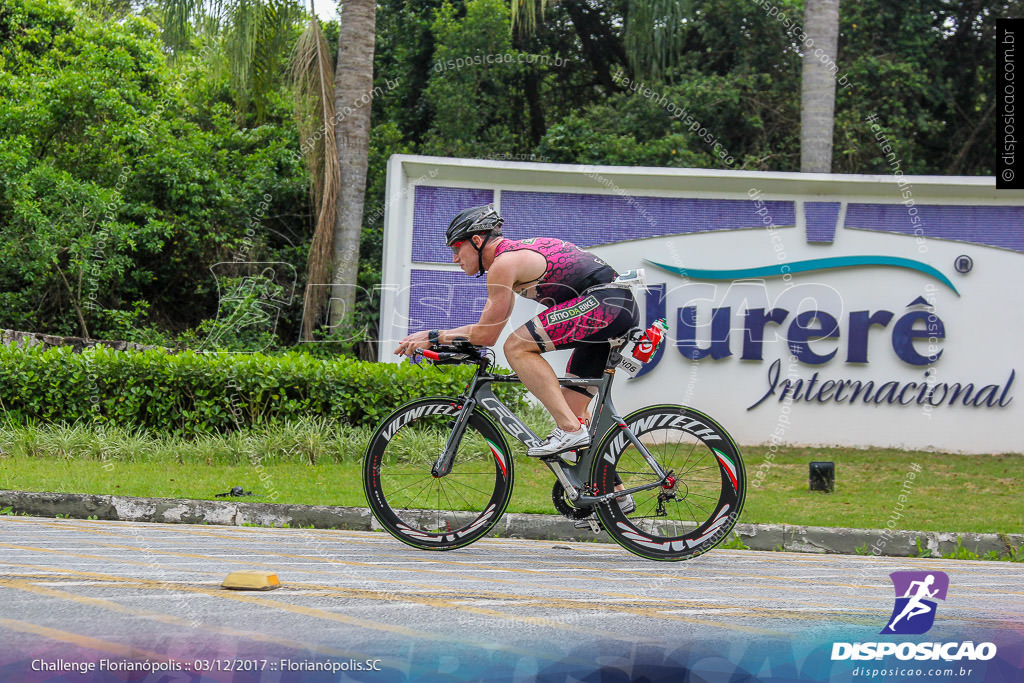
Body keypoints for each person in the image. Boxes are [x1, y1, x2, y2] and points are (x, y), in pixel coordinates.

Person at [394, 204, 639, 459]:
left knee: (517, 346)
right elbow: (486, 331)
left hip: (606, 304)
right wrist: (439, 338)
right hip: (613, 307)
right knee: (571, 409)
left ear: (477, 241)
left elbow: (486, 336)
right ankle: (612, 495)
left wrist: (432, 337)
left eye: (457, 248)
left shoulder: (504, 263)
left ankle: (570, 430)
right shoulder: (511, 260)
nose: (455, 258)